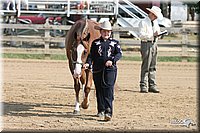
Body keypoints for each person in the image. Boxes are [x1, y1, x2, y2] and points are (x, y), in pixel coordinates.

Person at [84, 21, 122, 121]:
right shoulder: (95, 43)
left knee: (108, 89)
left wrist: (112, 60)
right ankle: (101, 109)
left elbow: (119, 54)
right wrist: (88, 63)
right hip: (97, 69)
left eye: (108, 32)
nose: (106, 34)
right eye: (104, 32)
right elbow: (91, 56)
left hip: (110, 70)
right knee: (99, 89)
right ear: (101, 32)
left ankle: (108, 111)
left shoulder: (115, 43)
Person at [138, 6, 163, 93]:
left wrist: (158, 35)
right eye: (155, 15)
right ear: (151, 14)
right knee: (146, 65)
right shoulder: (143, 22)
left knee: (153, 65)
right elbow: (141, 35)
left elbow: (157, 31)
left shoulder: (155, 22)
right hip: (146, 43)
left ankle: (152, 85)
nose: (156, 17)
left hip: (154, 43)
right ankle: (143, 85)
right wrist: (152, 35)